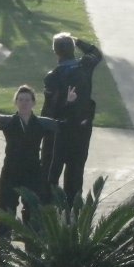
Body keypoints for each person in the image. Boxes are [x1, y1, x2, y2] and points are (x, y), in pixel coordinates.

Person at [0, 85, 59, 243]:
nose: (24, 103)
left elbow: (64, 124)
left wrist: (68, 103)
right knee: (6, 214)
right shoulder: (7, 122)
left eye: (27, 100)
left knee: (33, 214)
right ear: (16, 102)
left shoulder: (41, 123)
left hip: (33, 173)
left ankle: (33, 253)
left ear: (33, 103)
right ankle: (3, 257)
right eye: (20, 100)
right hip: (10, 173)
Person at [41, 32, 104, 205]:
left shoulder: (52, 76)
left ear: (56, 52)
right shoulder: (85, 67)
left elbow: (49, 108)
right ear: (72, 49)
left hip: (59, 131)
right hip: (81, 129)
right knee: (75, 173)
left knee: (50, 174)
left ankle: (48, 210)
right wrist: (78, 41)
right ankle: (72, 211)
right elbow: (96, 53)